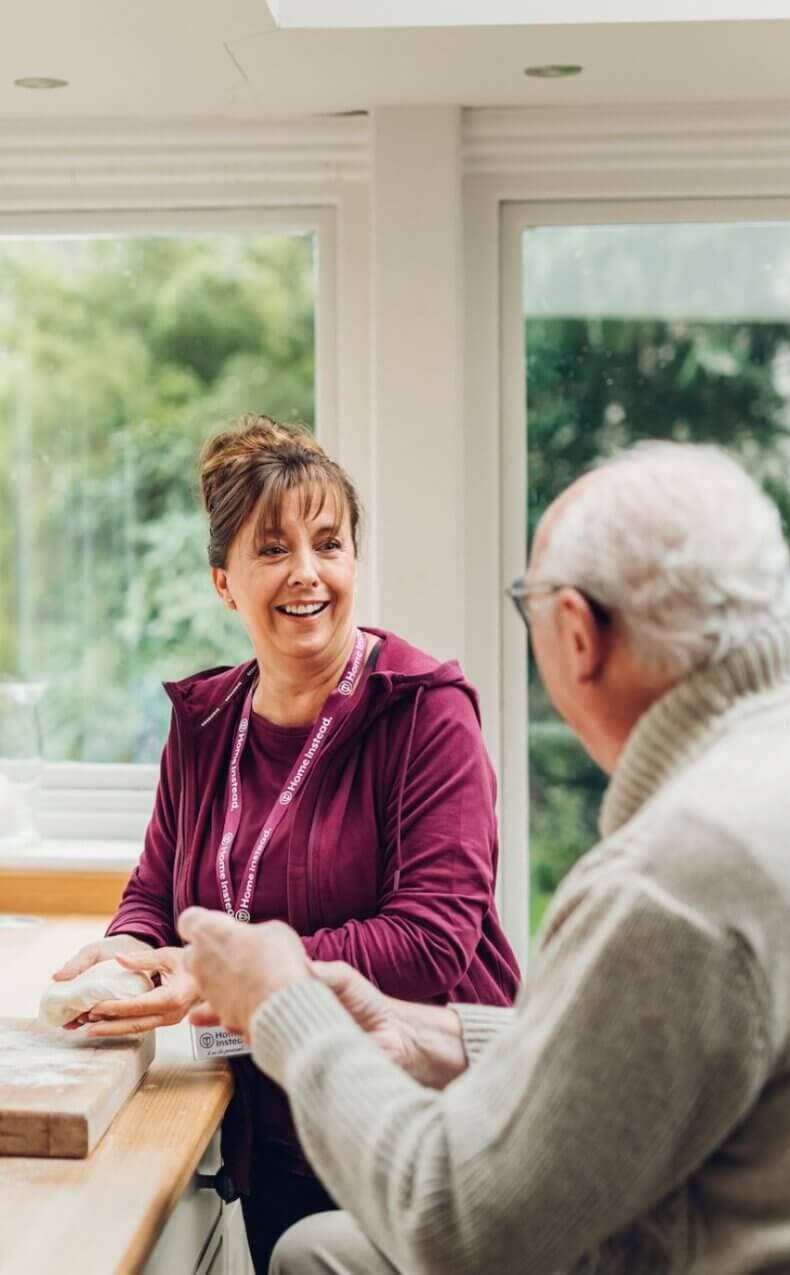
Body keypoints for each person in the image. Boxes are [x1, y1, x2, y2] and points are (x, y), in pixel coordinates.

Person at [179, 440, 790, 1275]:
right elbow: (672, 1050)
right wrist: (436, 1034)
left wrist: (288, 1010)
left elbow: (456, 1222)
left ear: (575, 631)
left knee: (312, 1257)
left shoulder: (680, 878)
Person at [52, 416, 520, 1274]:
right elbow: (158, 890)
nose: (308, 572)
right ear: (225, 581)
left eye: (329, 543)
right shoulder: (205, 721)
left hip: (420, 1123)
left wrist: (230, 979)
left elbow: (429, 945)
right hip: (269, 1130)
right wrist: (129, 951)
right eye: (273, 548)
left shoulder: (425, 712)